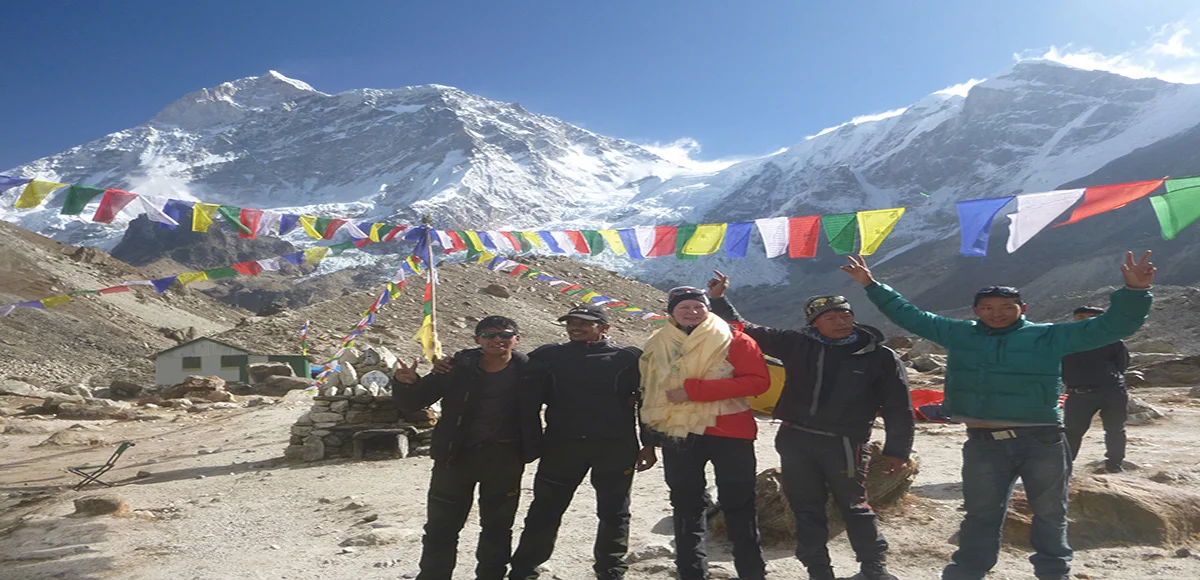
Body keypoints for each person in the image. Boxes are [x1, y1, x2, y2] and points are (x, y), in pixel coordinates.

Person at [841, 251, 1155, 580]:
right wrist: (872, 285)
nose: (997, 314)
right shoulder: (959, 334)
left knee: (1050, 514)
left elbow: (1112, 326)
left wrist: (1135, 292)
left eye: (1006, 307)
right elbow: (910, 316)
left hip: (1042, 440)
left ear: (1023, 309)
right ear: (976, 311)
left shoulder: (1048, 336)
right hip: (984, 442)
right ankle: (966, 574)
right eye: (988, 308)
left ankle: (1054, 574)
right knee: (980, 515)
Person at [707, 270, 913, 580]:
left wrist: (898, 450)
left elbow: (899, 406)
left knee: (854, 506)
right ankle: (819, 571)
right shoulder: (796, 343)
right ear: (814, 322)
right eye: (830, 317)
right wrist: (718, 299)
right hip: (796, 438)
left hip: (845, 442)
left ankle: (874, 569)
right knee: (805, 508)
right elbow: (745, 329)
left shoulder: (879, 356)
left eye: (845, 315)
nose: (840, 321)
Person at [392, 316, 547, 580]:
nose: (497, 340)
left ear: (517, 339)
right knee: (441, 527)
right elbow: (415, 402)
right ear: (477, 340)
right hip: (455, 458)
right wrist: (406, 384)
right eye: (488, 335)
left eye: (505, 335)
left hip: (505, 461)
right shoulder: (456, 368)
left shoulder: (532, 371)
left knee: (497, 528)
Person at [506, 304, 655, 580]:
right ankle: (524, 569)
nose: (576, 327)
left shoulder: (628, 357)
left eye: (585, 323)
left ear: (605, 328)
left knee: (615, 511)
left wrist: (649, 443)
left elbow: (648, 400)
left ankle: (611, 569)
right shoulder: (549, 355)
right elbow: (509, 369)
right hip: (562, 446)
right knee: (545, 509)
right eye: (571, 323)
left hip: (615, 447)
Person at [639, 286, 770, 580]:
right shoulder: (657, 342)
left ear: (708, 309)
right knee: (686, 504)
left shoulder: (734, 339)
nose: (692, 312)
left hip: (730, 433)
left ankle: (751, 572)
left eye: (698, 306)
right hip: (678, 432)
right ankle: (691, 572)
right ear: (671, 312)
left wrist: (694, 391)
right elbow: (649, 391)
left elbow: (758, 382)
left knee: (739, 503)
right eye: (684, 307)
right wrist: (649, 439)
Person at [1061, 306, 1131, 473]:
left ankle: (1115, 465)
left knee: (1115, 429)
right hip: (1078, 394)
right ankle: (1063, 468)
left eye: (1092, 317)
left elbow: (1122, 365)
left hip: (1112, 392)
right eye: (1081, 317)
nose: (1086, 321)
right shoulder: (1065, 341)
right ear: (1074, 319)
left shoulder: (1112, 340)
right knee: (1072, 432)